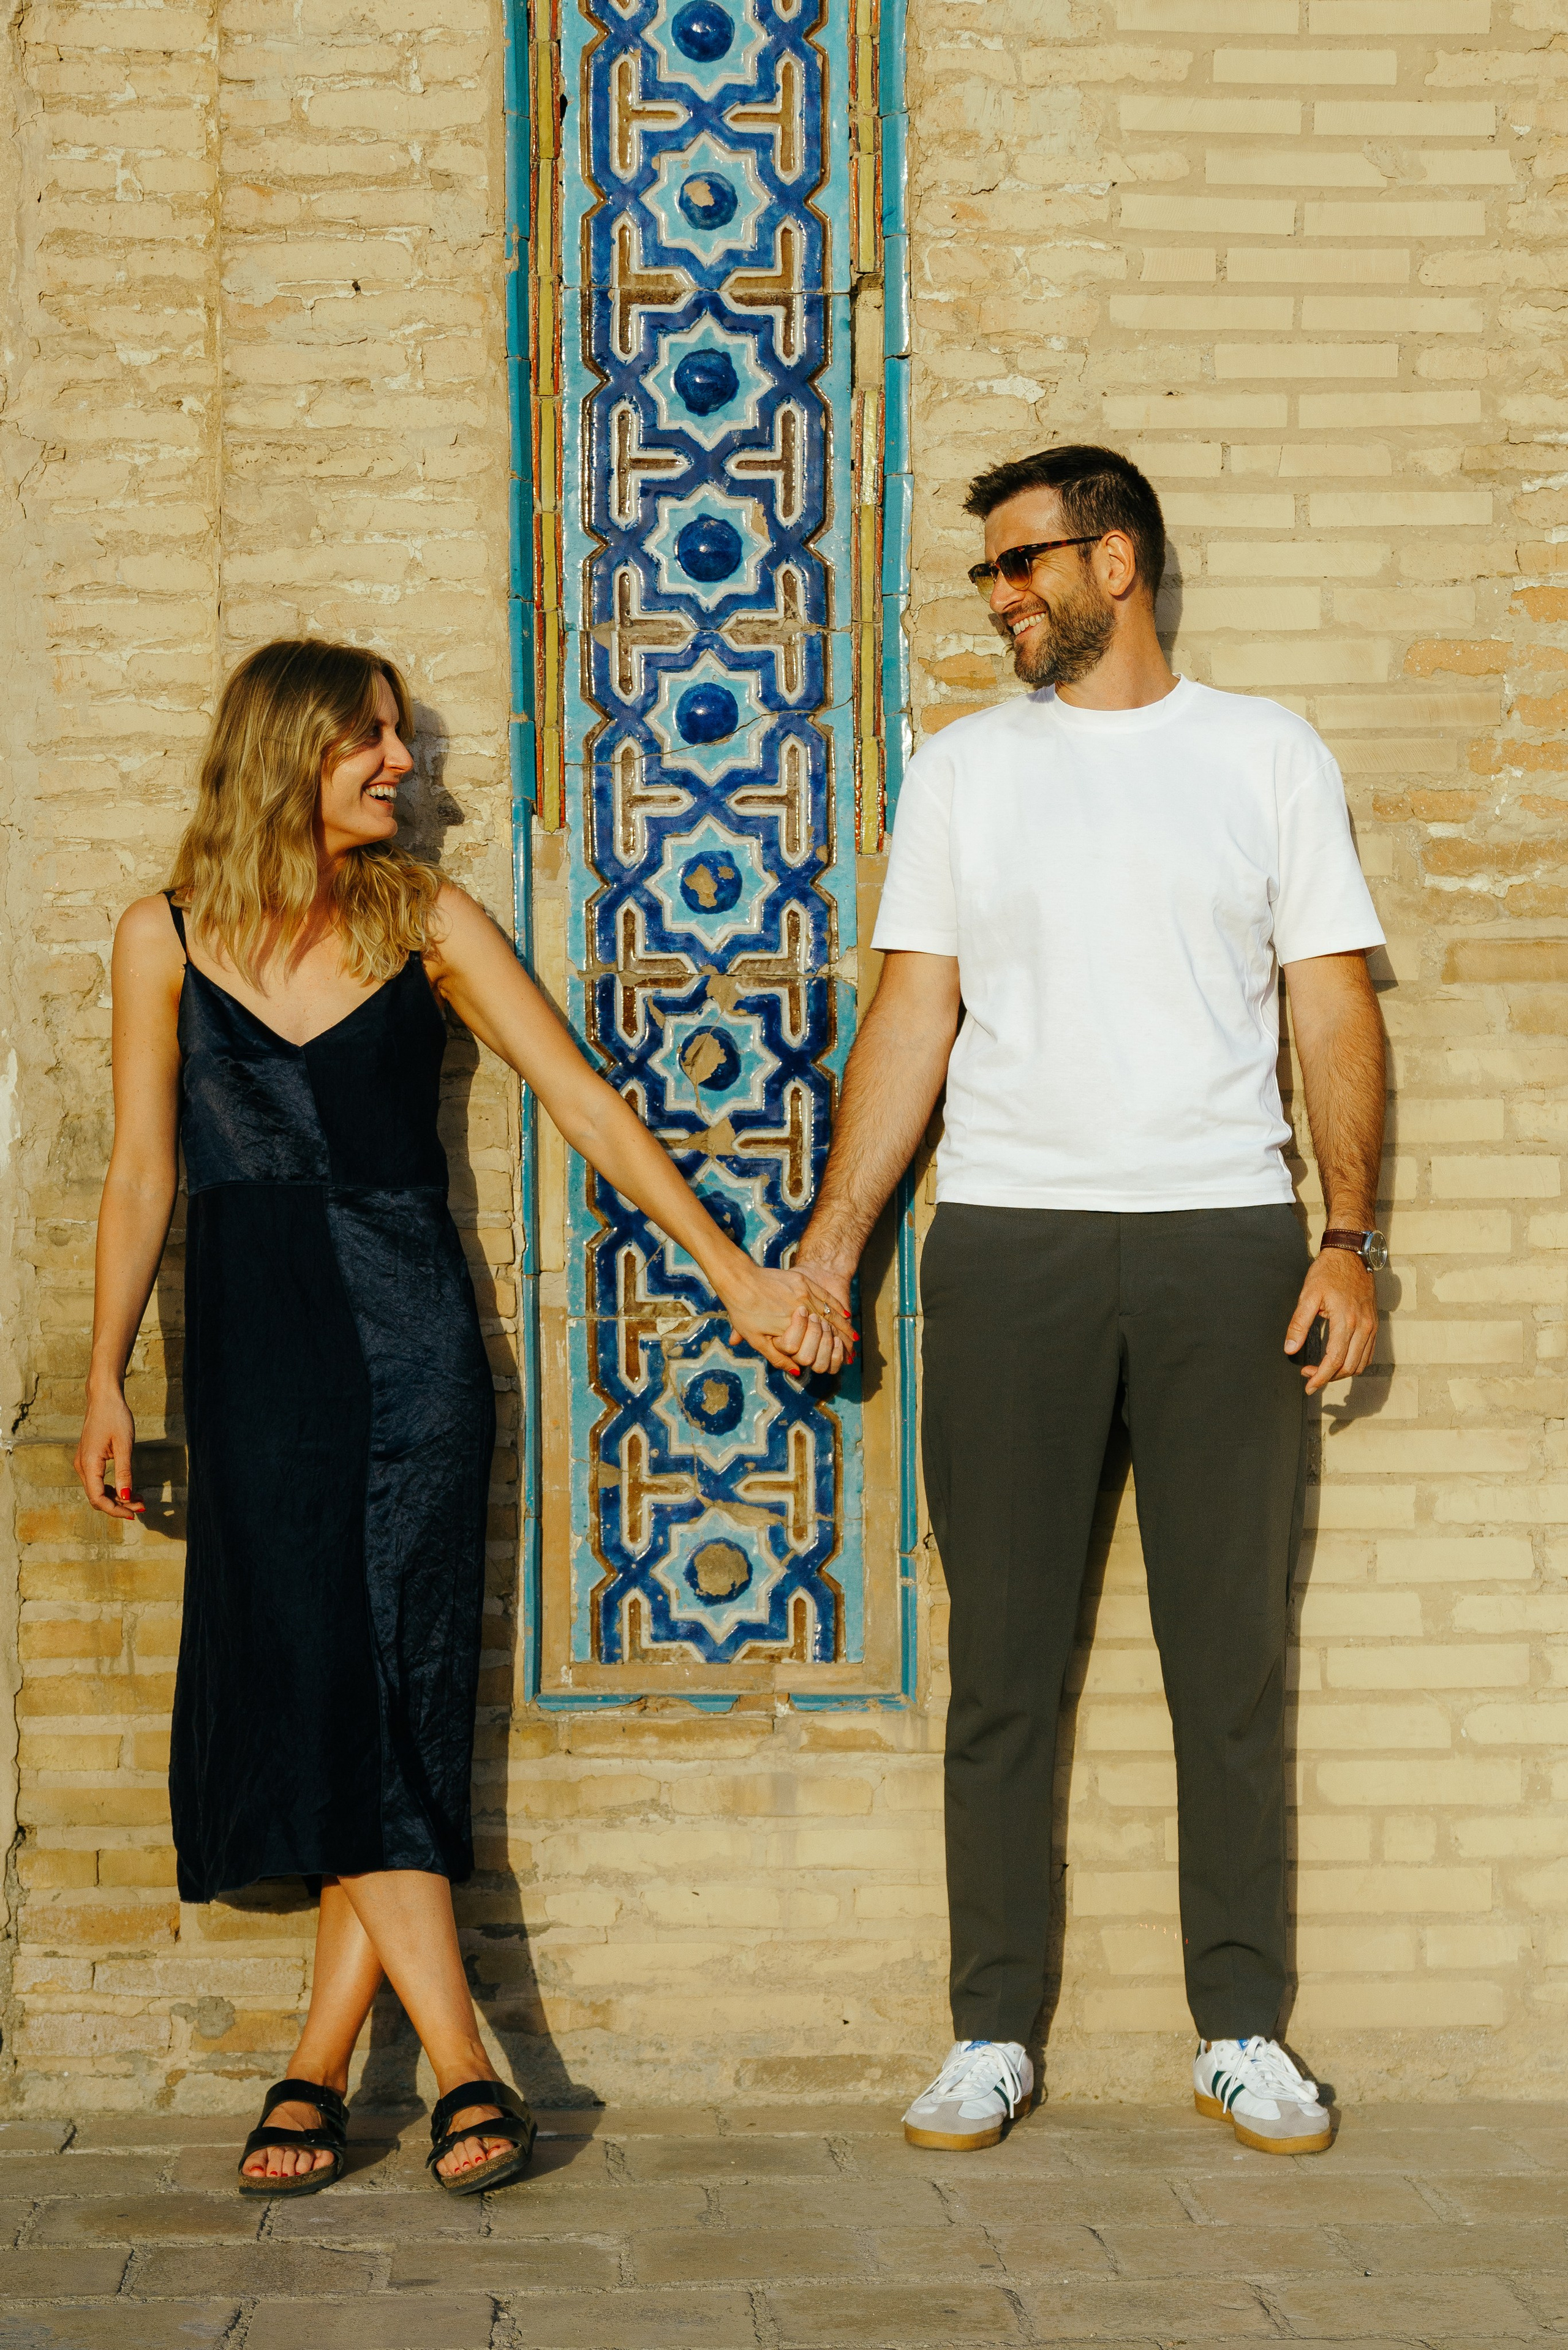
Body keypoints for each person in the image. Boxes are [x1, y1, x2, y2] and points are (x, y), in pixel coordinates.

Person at [74, 639, 852, 2197]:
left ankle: (399, 2066)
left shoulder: (425, 917)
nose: (403, 765)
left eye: (403, 739)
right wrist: (106, 1373)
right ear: (287, 749)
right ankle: (412, 2060)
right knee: (321, 1680)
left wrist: (733, 1276)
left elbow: (583, 1100)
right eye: (369, 739)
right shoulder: (160, 934)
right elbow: (144, 1167)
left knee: (393, 1681)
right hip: (252, 1359)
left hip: (411, 1342)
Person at [795, 445, 1387, 2158]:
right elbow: (913, 1013)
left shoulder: (1264, 753)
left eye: (1023, 562)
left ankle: (1241, 2027)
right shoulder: (963, 771)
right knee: (1001, 1663)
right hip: (1007, 1243)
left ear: (1115, 561)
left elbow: (1330, 1003)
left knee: (1230, 1662)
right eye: (989, 569)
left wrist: (1347, 1235)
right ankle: (989, 2029)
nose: (1000, 595)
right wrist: (835, 1244)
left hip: (1224, 1242)